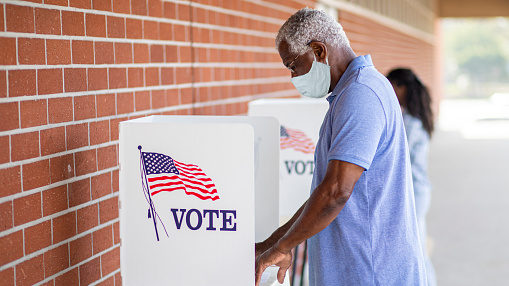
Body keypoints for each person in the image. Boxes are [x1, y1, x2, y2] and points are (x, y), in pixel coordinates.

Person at [254, 8, 427, 286]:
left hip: (370, 272)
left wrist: (283, 247)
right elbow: (322, 193)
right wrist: (273, 243)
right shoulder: (352, 92)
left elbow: (336, 192)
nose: (293, 77)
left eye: (292, 66)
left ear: (319, 51)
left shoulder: (361, 95)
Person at [387, 68, 436, 286]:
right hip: (419, 191)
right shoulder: (415, 116)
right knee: (417, 248)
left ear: (401, 86)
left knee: (415, 251)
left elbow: (394, 156)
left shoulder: (409, 122)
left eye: (391, 86)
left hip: (414, 192)